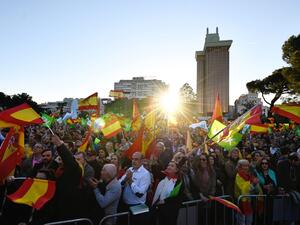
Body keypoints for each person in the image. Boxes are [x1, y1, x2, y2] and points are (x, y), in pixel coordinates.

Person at [119, 152, 151, 225]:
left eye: (136, 159)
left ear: (142, 161)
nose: (133, 161)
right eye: (132, 159)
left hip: (137, 206)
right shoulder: (130, 169)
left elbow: (140, 193)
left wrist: (130, 181)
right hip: (125, 205)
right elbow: (119, 184)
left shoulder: (145, 174)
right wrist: (125, 179)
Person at [151, 160, 185, 225]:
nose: (169, 167)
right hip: (160, 212)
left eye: (172, 166)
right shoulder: (162, 181)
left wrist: (165, 201)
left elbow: (178, 198)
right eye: (168, 165)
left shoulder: (178, 183)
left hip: (171, 213)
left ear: (176, 170)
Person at [235, 159, 262, 225]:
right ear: (239, 166)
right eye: (244, 166)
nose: (246, 167)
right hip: (242, 202)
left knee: (249, 221)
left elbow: (257, 189)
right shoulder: (238, 176)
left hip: (250, 201)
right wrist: (253, 184)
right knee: (242, 222)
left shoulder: (250, 175)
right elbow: (243, 189)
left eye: (247, 165)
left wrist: (256, 184)